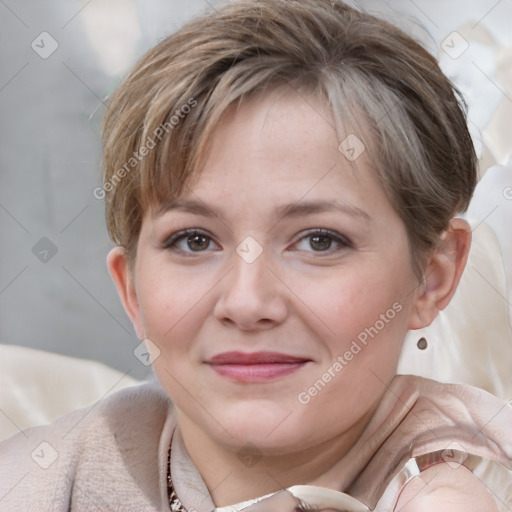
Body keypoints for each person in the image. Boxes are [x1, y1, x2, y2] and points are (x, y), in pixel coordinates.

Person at [1, 0, 511, 510]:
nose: (247, 303)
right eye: (194, 241)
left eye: (318, 240)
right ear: (132, 289)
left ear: (433, 276)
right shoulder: (34, 484)